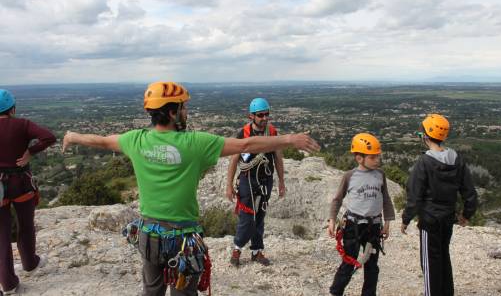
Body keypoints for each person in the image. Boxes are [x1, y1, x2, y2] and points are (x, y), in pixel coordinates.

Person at [62, 82, 319, 296]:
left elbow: (104, 142)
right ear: (172, 112)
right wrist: (288, 139)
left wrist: (73, 136)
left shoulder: (135, 140)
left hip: (149, 234)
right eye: (183, 107)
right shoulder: (195, 143)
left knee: (151, 290)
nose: (186, 112)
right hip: (183, 240)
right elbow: (245, 145)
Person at [401, 114, 478, 296]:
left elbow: (414, 195)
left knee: (430, 263)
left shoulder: (424, 162)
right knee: (443, 257)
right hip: (447, 219)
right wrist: (466, 214)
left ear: (426, 136)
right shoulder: (456, 159)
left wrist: (406, 219)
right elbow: (469, 191)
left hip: (429, 220)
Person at [0, 89, 56, 295]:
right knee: (26, 225)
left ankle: (8, 283)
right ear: (12, 108)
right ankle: (30, 263)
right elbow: (49, 137)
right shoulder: (22, 124)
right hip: (21, 183)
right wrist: (30, 152)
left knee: (2, 234)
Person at [327, 133, 395, 296]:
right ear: (359, 158)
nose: (377, 160)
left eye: (378, 156)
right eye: (373, 157)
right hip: (353, 226)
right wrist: (331, 220)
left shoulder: (380, 175)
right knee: (349, 262)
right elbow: (337, 199)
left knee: (372, 266)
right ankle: (336, 292)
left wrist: (387, 222)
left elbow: (385, 198)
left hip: (374, 226)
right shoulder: (349, 176)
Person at [225, 98, 284, 267]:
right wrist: (229, 185)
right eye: (261, 115)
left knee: (260, 216)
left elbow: (278, 158)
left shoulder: (272, 133)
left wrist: (281, 182)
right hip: (247, 180)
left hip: (265, 180)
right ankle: (237, 248)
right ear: (251, 116)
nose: (265, 118)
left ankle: (256, 251)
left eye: (267, 114)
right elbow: (234, 159)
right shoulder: (243, 133)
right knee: (246, 217)